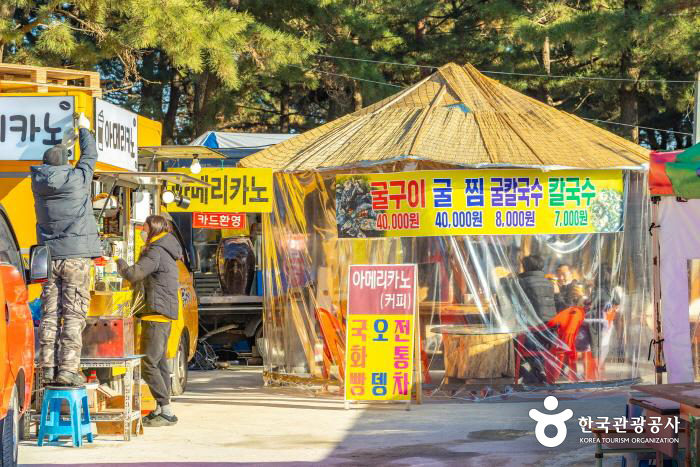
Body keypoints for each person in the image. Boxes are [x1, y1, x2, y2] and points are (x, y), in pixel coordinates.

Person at [31, 113, 101, 386]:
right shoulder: (77, 180)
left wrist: (63, 145)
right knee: (73, 314)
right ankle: (68, 370)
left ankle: (46, 368)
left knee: (49, 314)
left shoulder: (37, 184)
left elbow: (57, 164)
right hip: (75, 258)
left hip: (49, 257)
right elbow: (90, 155)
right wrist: (84, 129)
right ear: (67, 164)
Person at [116, 215, 181, 427]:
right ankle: (162, 408)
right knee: (159, 361)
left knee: (148, 363)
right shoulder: (165, 248)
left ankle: (166, 411)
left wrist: (118, 260)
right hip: (162, 313)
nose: (142, 230)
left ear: (152, 229)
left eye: (143, 227)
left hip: (155, 314)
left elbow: (135, 274)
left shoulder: (156, 251)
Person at [517, 255, 558, 384]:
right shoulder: (549, 283)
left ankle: (531, 371)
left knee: (510, 343)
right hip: (550, 333)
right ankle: (536, 370)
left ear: (525, 267)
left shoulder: (522, 283)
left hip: (532, 333)